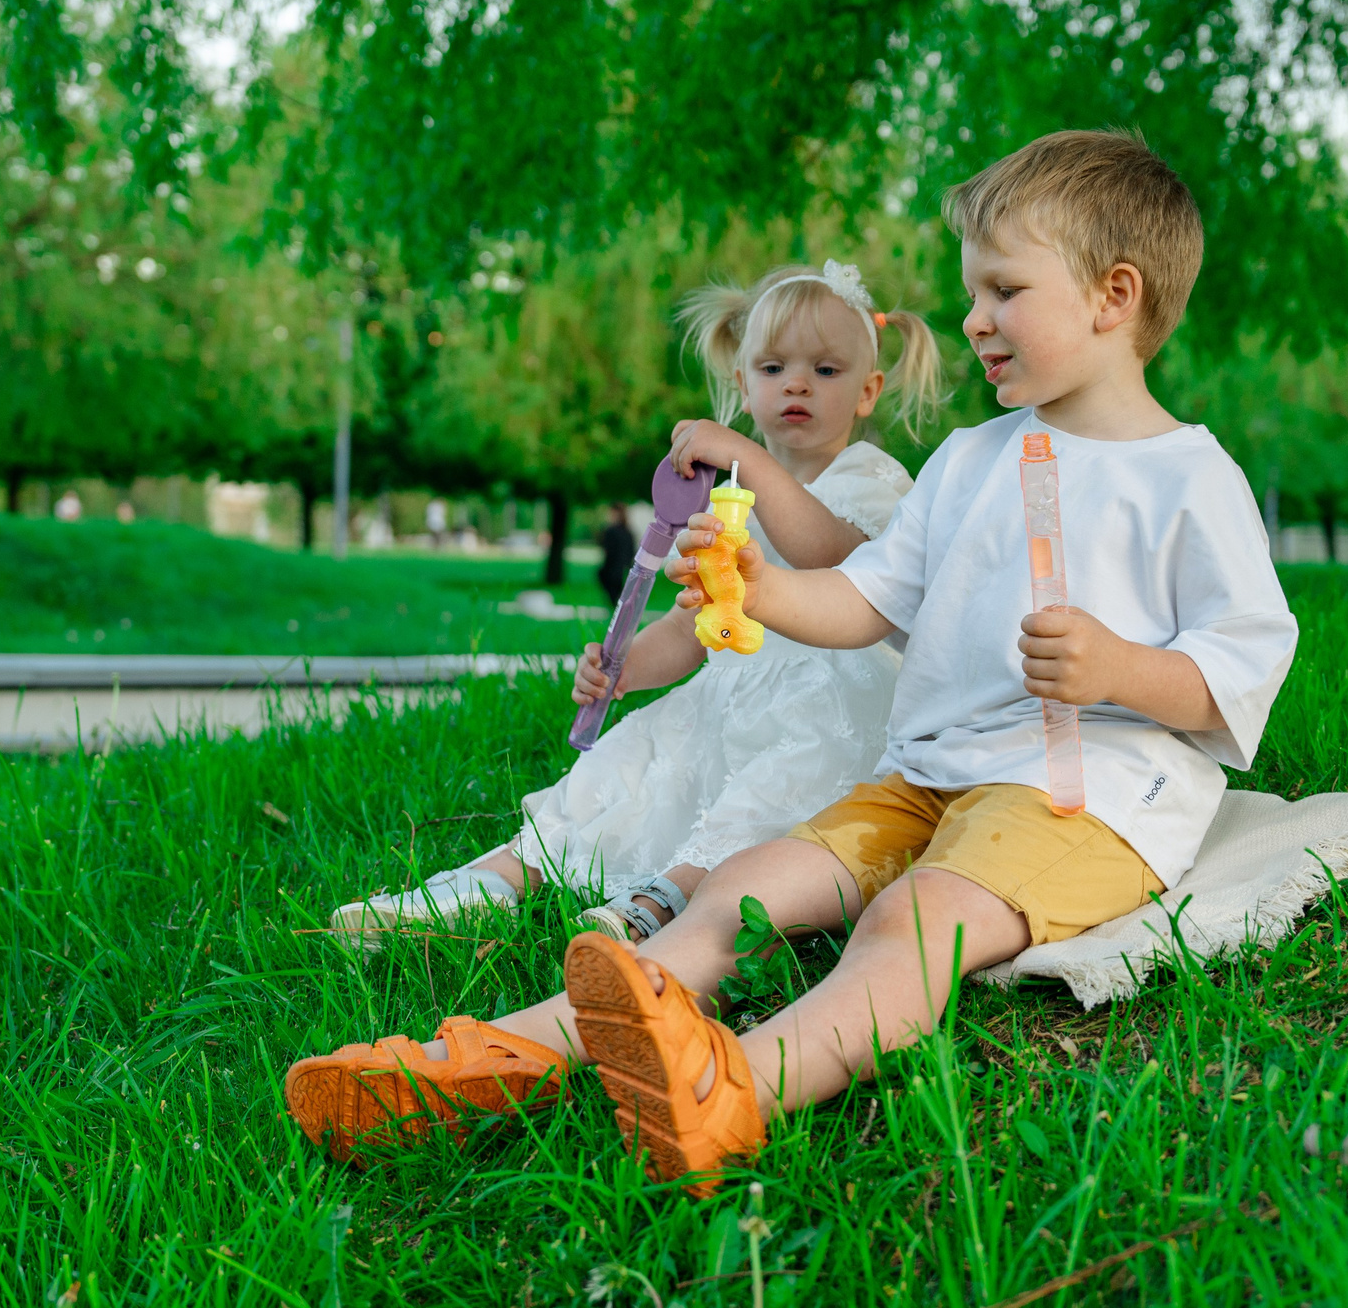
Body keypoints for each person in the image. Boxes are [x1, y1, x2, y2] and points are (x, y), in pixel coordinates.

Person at [286, 130, 1300, 1194]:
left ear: (1113, 295)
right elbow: (865, 598)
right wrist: (764, 593)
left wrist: (1121, 670)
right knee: (746, 882)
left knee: (914, 919)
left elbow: (1238, 664)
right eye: (972, 293)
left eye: (1002, 291)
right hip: (932, 777)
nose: (973, 320)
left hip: (1082, 794)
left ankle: (738, 1085)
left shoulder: (1187, 477)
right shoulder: (969, 460)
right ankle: (510, 1051)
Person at [329, 261, 944, 944]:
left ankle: (662, 901)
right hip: (735, 692)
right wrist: (627, 668)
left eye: (826, 371)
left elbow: (835, 559)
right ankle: (489, 885)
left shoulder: (873, 477)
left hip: (832, 697)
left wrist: (747, 458)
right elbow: (689, 625)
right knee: (634, 763)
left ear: (868, 391)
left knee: (772, 785)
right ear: (743, 383)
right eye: (773, 368)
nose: (796, 383)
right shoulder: (723, 502)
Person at [594, 504, 636, 605]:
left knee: (614, 593)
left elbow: (607, 549)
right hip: (623, 568)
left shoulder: (611, 531)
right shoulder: (627, 532)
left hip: (613, 568)